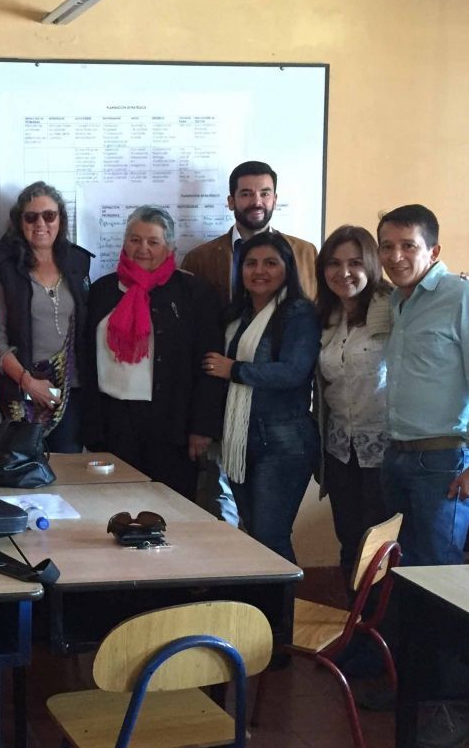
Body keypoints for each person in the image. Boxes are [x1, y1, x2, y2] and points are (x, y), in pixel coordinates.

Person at [377, 204, 469, 748]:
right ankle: (413, 690)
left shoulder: (464, 297)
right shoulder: (399, 301)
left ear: (433, 250)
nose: (395, 257)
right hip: (401, 457)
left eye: (407, 246)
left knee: (441, 585)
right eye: (387, 246)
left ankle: (453, 708)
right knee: (405, 581)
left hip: (446, 462)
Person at [81, 206, 226, 498]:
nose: (142, 248)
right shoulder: (102, 290)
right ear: (124, 243)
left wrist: (202, 427)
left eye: (153, 241)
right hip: (114, 420)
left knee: (169, 508)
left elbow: (209, 365)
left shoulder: (193, 294)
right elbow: (86, 359)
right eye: (135, 240)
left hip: (171, 424)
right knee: (112, 505)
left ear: (170, 247)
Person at [204, 230, 320, 563]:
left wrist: (235, 370)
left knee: (270, 538)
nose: (259, 271)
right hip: (240, 439)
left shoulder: (298, 313)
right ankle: (261, 612)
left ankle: (283, 614)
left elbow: (293, 371)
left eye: (271, 263)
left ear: (288, 268)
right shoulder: (237, 314)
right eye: (251, 263)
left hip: (284, 441)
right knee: (254, 534)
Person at [315, 225, 394, 584]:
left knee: (381, 546)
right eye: (333, 263)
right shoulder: (325, 317)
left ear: (372, 265)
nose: (343, 273)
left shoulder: (394, 307)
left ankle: (384, 627)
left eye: (355, 263)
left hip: (385, 447)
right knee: (348, 540)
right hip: (338, 450)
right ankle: (355, 626)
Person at [0, 182, 92, 453]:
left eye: (49, 215)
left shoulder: (78, 263)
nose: (41, 224)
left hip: (71, 391)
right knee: (24, 477)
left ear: (61, 219)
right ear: (19, 222)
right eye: (31, 217)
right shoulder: (6, 269)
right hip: (22, 391)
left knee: (66, 475)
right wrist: (28, 382)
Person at [180, 160, 318, 302]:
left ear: (275, 200)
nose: (257, 202)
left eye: (265, 194)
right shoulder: (199, 260)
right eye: (246, 194)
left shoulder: (306, 253)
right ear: (231, 201)